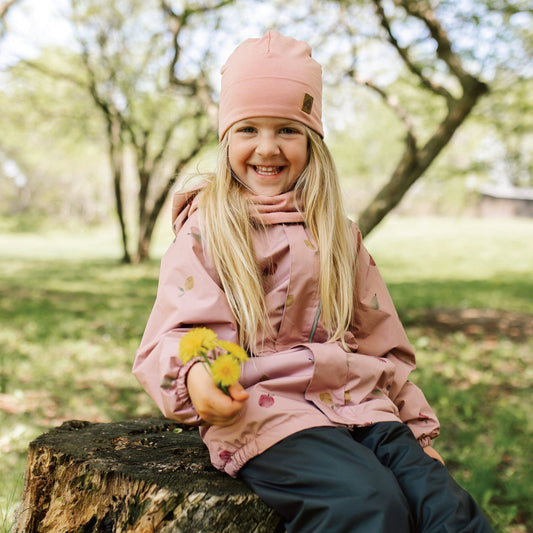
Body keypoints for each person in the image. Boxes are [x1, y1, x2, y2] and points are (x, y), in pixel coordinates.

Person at [133, 31, 494, 533]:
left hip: (360, 402)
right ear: (226, 138)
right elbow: (179, 330)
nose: (267, 147)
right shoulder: (207, 230)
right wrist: (197, 378)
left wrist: (418, 433)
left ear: (311, 140)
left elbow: (382, 345)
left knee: (448, 512)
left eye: (287, 129)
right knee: (366, 505)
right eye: (247, 129)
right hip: (266, 411)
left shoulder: (338, 235)